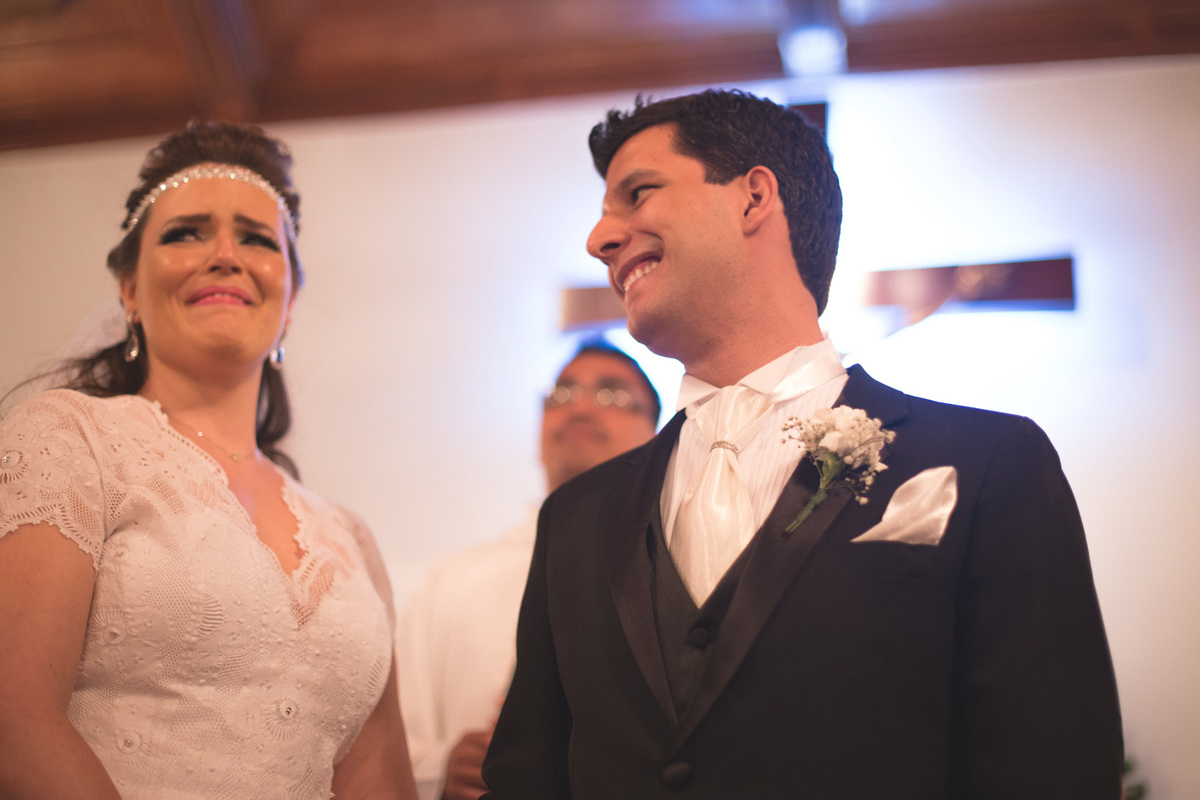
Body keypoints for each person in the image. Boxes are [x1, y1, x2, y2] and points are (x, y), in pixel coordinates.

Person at [482, 90, 1123, 798]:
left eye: (638, 193)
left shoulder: (989, 465)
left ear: (754, 197)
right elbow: (528, 777)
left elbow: (1055, 769)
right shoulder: (575, 519)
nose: (599, 237)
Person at [0, 121, 417, 800]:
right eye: (185, 232)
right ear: (129, 289)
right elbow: (14, 724)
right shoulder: (68, 438)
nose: (225, 255)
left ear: (289, 304)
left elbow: (378, 780)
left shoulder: (352, 538)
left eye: (256, 238)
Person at [397, 342, 659, 800]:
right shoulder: (454, 580)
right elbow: (387, 734)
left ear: (655, 435)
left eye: (612, 394)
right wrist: (440, 765)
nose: (579, 406)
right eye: (562, 393)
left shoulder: (666, 573)